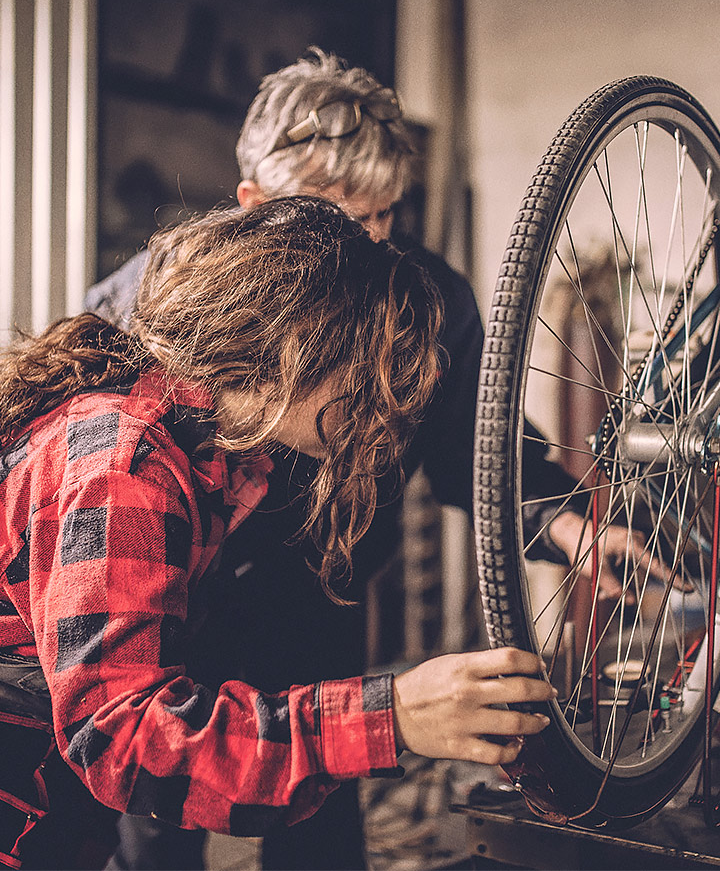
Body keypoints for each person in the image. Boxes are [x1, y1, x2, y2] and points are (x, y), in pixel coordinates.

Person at [85, 50, 660, 870]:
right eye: (328, 221)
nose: (362, 251)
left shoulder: (426, 301)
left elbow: (476, 447)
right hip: (180, 599)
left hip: (319, 588)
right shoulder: (146, 312)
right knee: (159, 828)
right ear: (251, 203)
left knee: (317, 826)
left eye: (379, 220)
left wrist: (567, 523)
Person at [0, 197, 556, 870]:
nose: (387, 409)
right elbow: (124, 742)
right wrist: (395, 715)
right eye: (371, 372)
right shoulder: (126, 467)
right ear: (296, 347)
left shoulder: (223, 452)